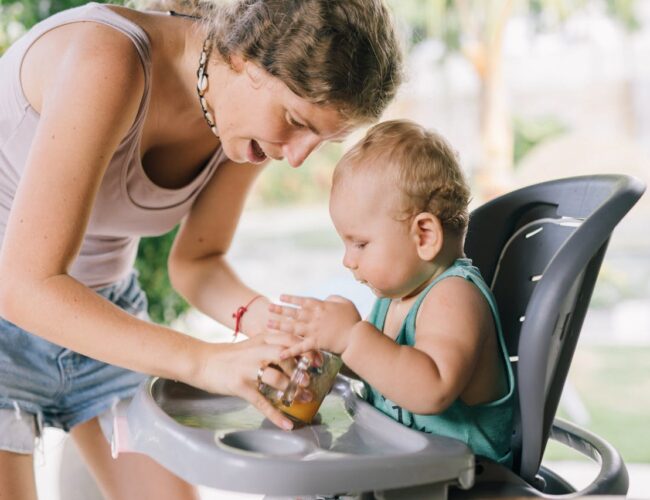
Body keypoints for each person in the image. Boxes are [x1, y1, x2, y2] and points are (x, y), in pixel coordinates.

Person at [0, 0, 403, 497]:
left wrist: (275, 330)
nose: (296, 158)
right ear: (245, 55)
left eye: (320, 140)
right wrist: (204, 361)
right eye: (297, 121)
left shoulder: (246, 121)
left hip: (105, 316)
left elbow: (197, 263)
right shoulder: (108, 58)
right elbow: (22, 285)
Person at [270, 120, 515, 465]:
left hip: (464, 483)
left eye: (360, 243)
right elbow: (386, 371)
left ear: (425, 235)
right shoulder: (394, 298)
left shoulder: (455, 296)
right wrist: (329, 353)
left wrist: (352, 338)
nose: (348, 260)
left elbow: (431, 389)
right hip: (401, 468)